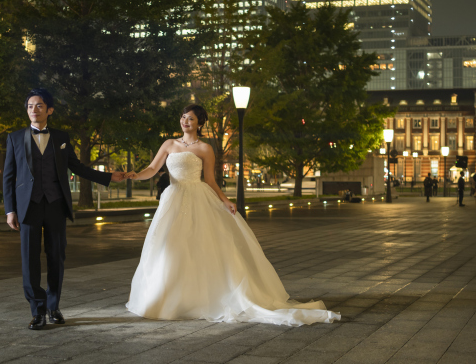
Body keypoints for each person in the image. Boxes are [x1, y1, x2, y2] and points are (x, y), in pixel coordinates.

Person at [124, 104, 339, 326]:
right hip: (172, 200)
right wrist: (136, 175)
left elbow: (210, 180)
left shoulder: (205, 149)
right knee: (167, 247)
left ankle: (197, 298)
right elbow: (152, 169)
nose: (185, 121)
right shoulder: (169, 144)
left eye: (190, 119)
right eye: (183, 117)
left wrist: (225, 201)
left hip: (198, 198)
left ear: (200, 123)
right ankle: (165, 297)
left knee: (198, 246)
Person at [3, 88, 127, 331]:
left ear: (49, 110)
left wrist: (108, 177)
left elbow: (77, 167)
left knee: (56, 257)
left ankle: (53, 306)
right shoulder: (15, 138)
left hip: (56, 205)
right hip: (27, 206)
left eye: (39, 106)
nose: (33, 110)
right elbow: (9, 176)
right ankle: (37, 311)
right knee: (29, 260)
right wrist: (10, 210)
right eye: (29, 106)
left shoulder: (61, 137)